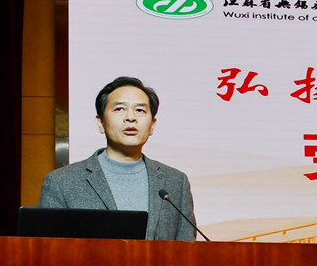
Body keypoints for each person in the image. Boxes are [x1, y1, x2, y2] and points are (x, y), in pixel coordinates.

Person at [37, 76, 198, 241]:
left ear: (152, 125)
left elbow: (187, 249)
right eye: (120, 109)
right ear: (100, 123)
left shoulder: (176, 182)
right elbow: (47, 250)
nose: (130, 118)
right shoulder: (61, 183)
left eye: (140, 110)